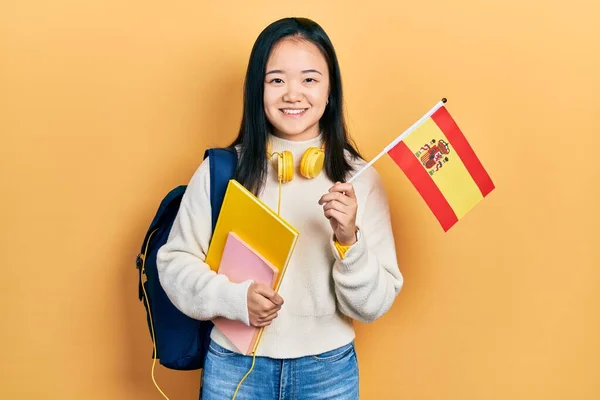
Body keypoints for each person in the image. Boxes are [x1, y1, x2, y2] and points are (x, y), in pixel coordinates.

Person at [157, 16, 403, 400]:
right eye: (276, 80)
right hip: (234, 366)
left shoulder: (358, 178)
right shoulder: (223, 171)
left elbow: (372, 306)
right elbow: (173, 264)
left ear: (330, 91)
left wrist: (349, 241)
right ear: (258, 89)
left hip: (329, 372)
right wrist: (235, 301)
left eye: (309, 79)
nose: (293, 94)